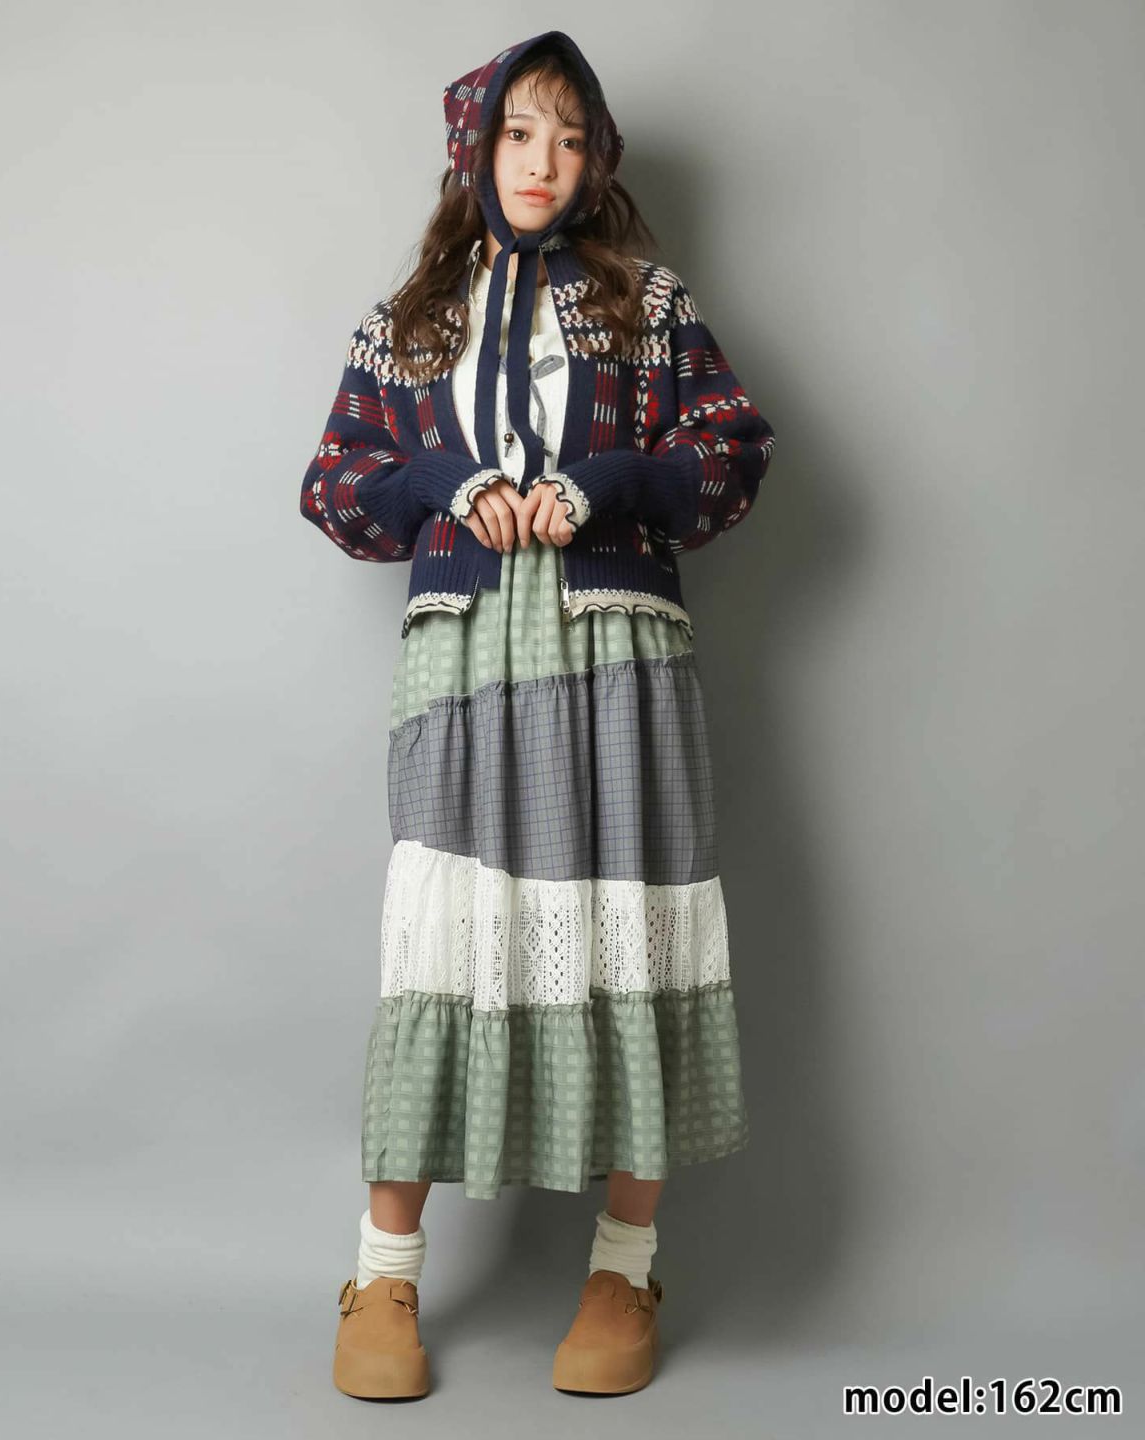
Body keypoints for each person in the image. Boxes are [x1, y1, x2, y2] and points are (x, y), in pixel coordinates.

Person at [299, 29, 777, 1401]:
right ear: (477, 145)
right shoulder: (413, 321)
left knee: (630, 927)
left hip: (618, 645)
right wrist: (442, 486)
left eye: (570, 138)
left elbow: (730, 449)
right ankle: (383, 1276)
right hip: (462, 654)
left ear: (596, 161)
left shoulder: (648, 302)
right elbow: (337, 484)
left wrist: (602, 483)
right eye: (520, 133)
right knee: (442, 943)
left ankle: (624, 1267)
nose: (543, 162)